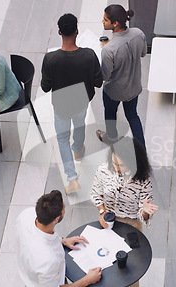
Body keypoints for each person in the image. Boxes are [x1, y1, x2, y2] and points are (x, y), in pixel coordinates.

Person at [41, 14, 103, 195]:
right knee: (79, 124)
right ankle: (78, 149)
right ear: (77, 31)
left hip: (61, 105)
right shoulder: (89, 55)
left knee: (62, 139)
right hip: (81, 101)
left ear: (59, 32)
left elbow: (45, 87)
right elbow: (98, 82)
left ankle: (72, 178)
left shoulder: (51, 59)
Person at [17, 189, 102, 286]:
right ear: (57, 219)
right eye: (64, 208)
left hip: (30, 270)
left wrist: (62, 241)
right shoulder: (48, 261)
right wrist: (88, 280)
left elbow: (40, 234)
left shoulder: (27, 215)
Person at [95, 4, 147, 149]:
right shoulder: (139, 33)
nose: (102, 22)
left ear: (115, 23)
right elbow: (143, 53)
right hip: (134, 88)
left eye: (105, 19)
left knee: (110, 115)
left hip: (114, 92)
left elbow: (105, 76)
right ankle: (141, 153)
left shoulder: (109, 50)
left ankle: (111, 138)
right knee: (133, 116)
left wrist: (106, 49)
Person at [91, 137, 158, 232]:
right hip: (108, 219)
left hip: (131, 223)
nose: (117, 168)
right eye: (114, 163)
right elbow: (95, 193)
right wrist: (102, 212)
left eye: (121, 165)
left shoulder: (143, 181)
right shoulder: (103, 170)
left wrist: (144, 212)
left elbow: (143, 215)